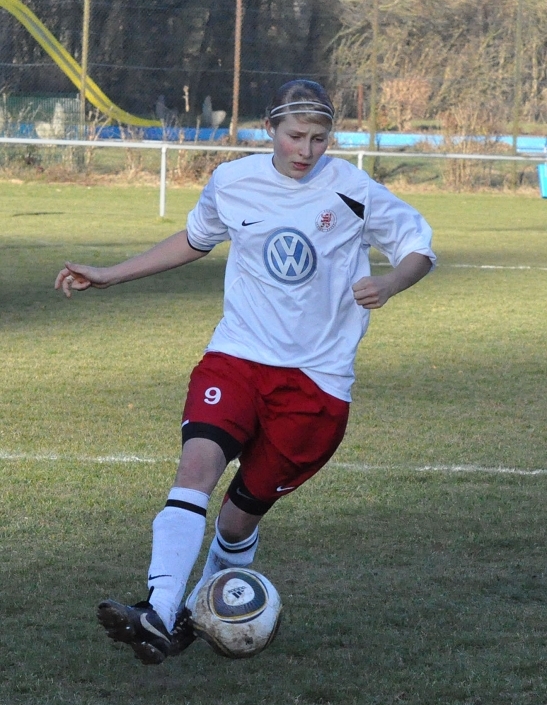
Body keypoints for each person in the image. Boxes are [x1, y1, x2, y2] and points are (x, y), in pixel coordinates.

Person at [55, 80, 436, 666]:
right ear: (269, 130)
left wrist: (390, 281)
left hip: (317, 384)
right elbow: (193, 239)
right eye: (294, 137)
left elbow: (418, 246)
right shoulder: (232, 182)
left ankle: (189, 613)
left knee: (236, 521)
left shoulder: (354, 189)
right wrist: (109, 274)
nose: (305, 151)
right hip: (237, 357)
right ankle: (160, 613)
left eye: (317, 138)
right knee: (195, 468)